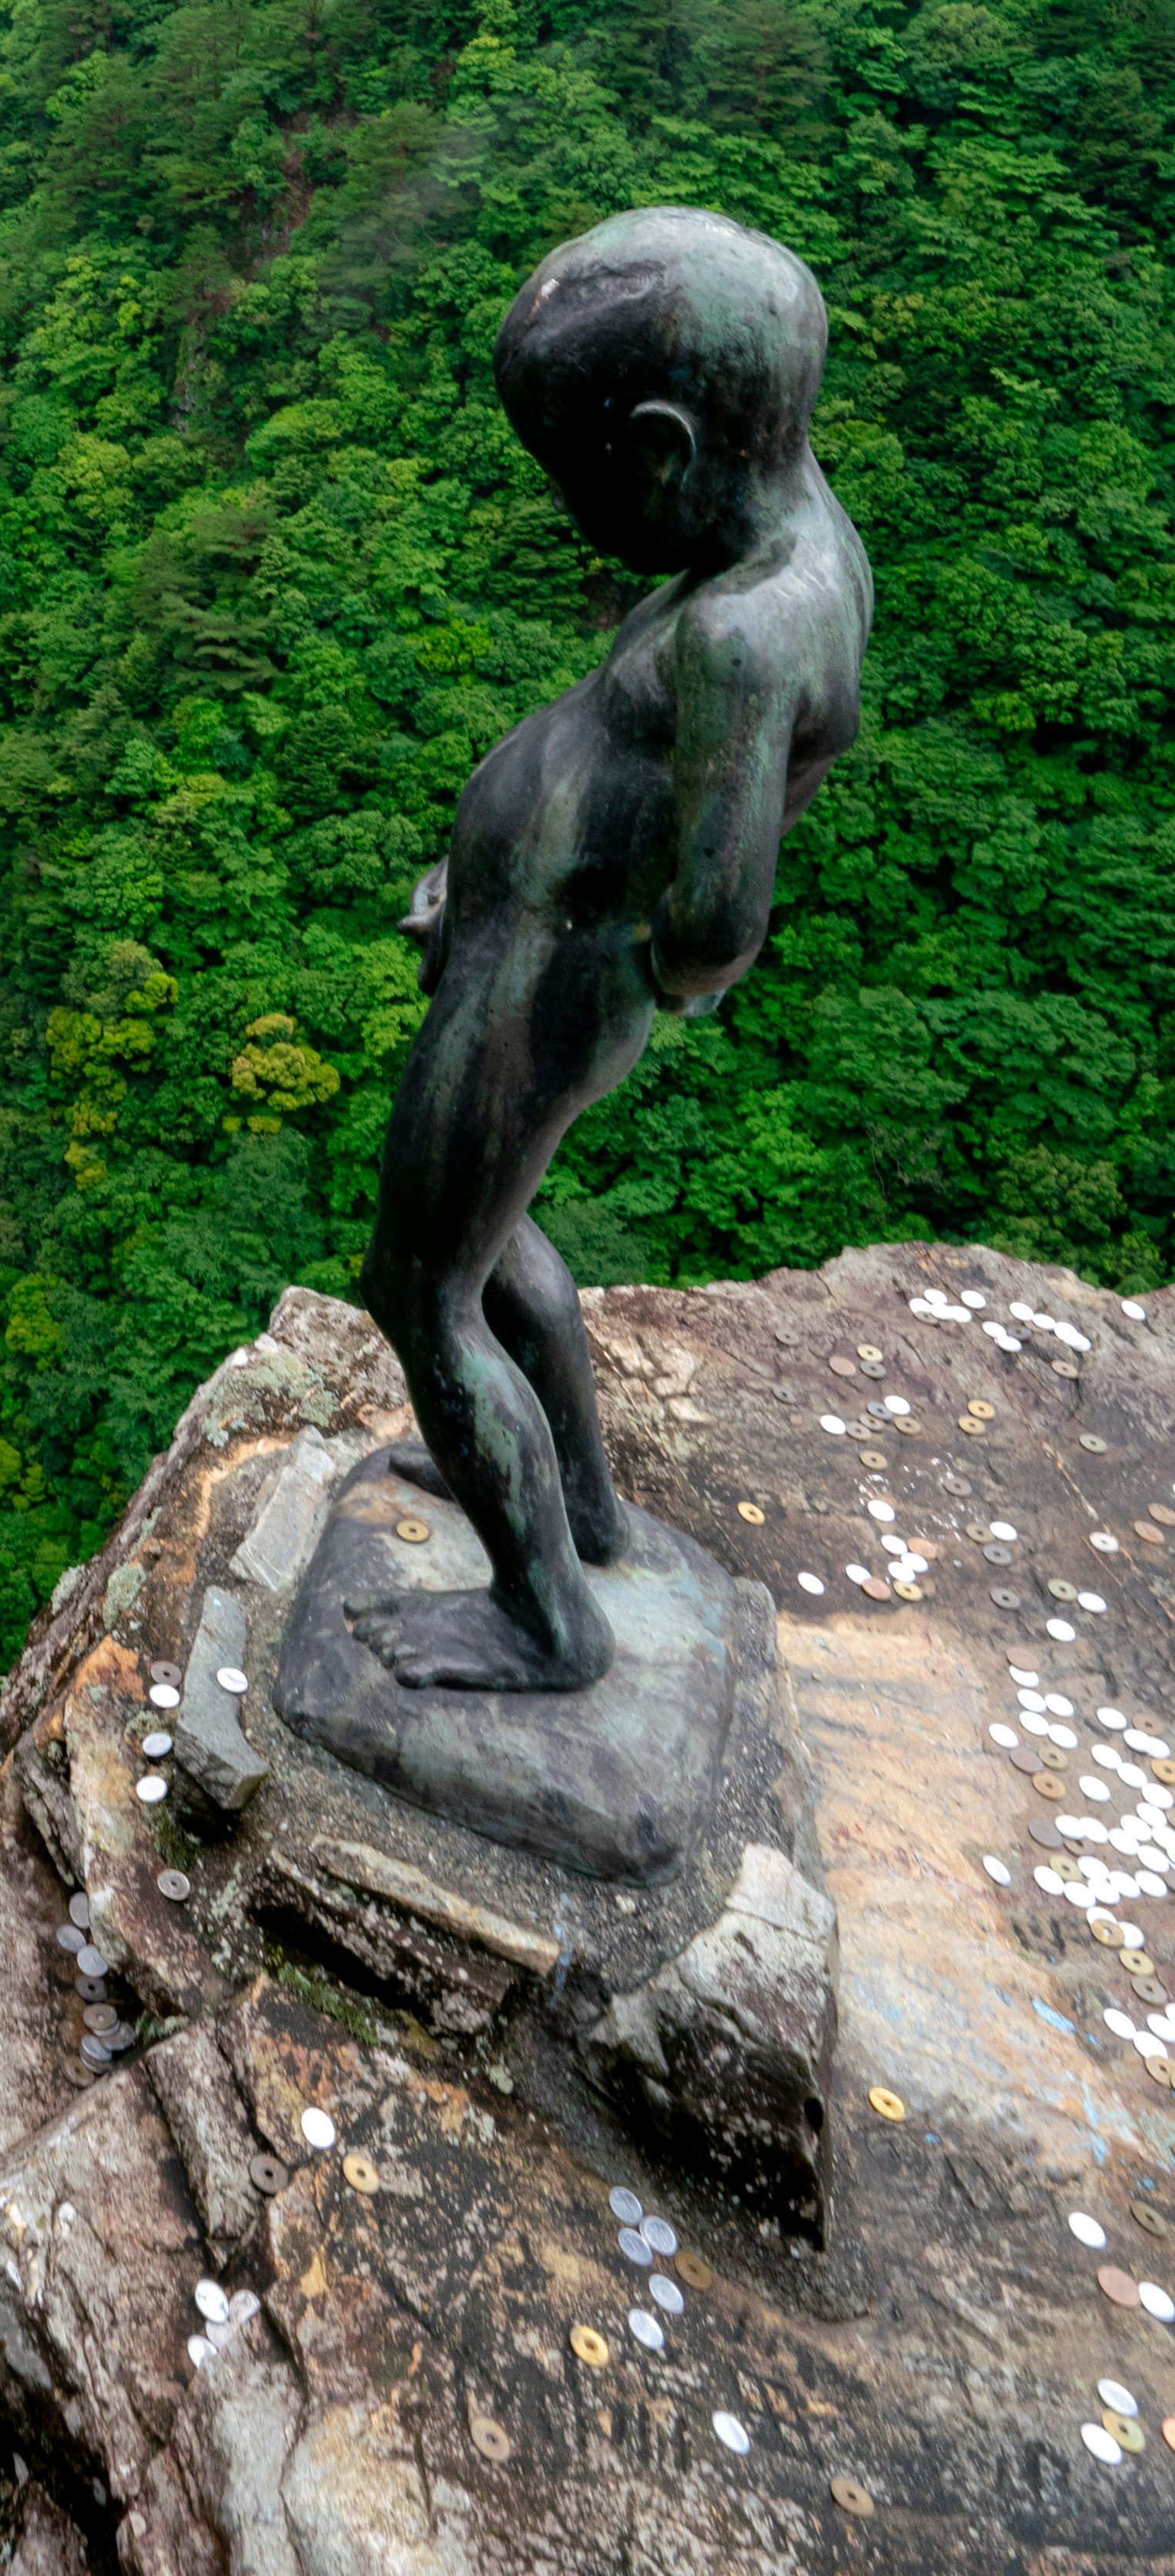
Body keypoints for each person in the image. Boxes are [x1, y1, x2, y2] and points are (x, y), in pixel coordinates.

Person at [349, 207, 871, 1696]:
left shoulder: (744, 638)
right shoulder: (796, 547)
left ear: (659, 450)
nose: (571, 507)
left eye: (576, 475)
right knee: (492, 1233)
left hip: (548, 984)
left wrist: (561, 931)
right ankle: (581, 1503)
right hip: (536, 953)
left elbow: (716, 921)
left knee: (420, 1286)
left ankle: (546, 1622)